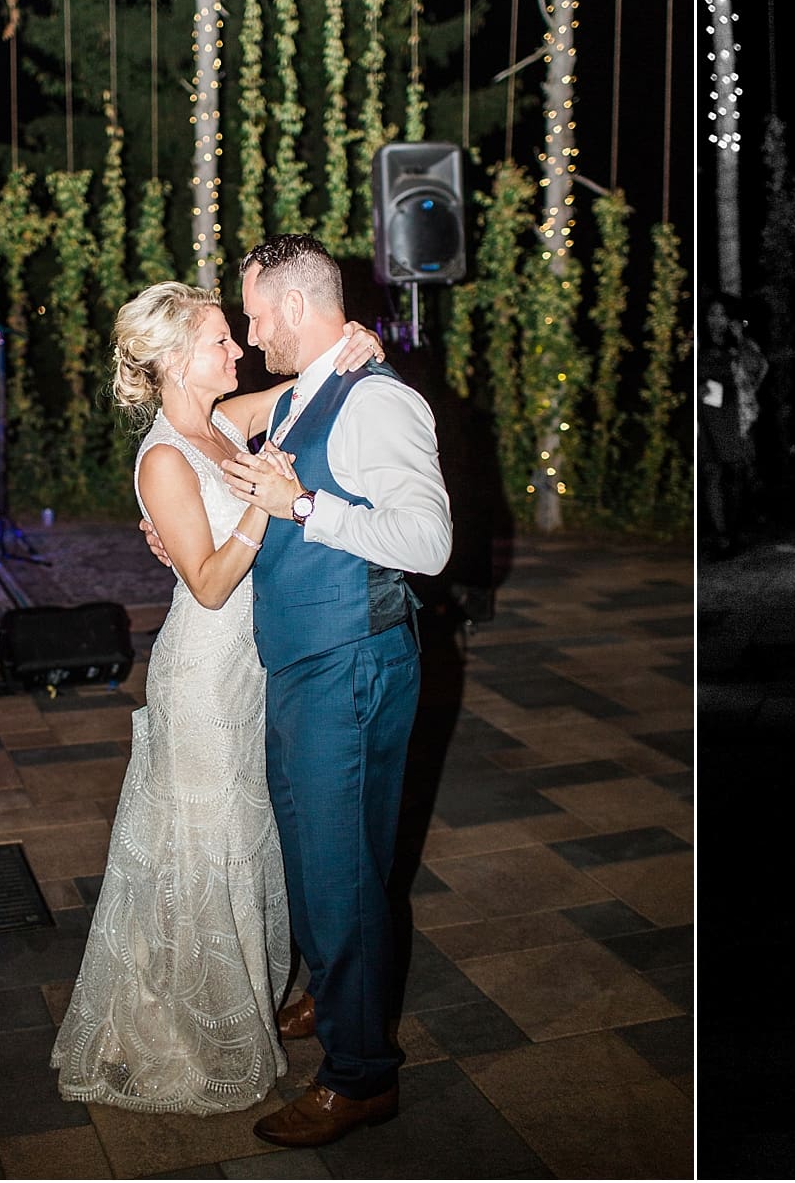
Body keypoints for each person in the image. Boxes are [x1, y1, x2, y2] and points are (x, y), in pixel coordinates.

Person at [51, 282, 382, 1114]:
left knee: (253, 840)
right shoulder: (164, 455)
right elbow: (203, 583)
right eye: (218, 343)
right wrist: (263, 510)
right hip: (200, 677)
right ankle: (195, 1030)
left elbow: (299, 387)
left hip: (251, 667)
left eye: (234, 339)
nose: (236, 353)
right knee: (206, 848)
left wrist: (354, 347)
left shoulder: (223, 422)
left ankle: (253, 998)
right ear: (170, 359)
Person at [212, 234, 452, 1148]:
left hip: (349, 660)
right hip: (308, 659)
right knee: (323, 855)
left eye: (259, 313)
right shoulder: (311, 390)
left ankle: (359, 1078)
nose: (251, 329)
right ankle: (337, 994)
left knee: (340, 871)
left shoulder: (376, 400)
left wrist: (302, 507)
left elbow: (426, 544)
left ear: (299, 309)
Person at [697, 293, 766, 555]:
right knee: (712, 473)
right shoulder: (700, 345)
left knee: (736, 473)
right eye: (712, 314)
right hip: (707, 416)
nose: (716, 320)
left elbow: (756, 370)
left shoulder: (739, 346)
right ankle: (721, 534)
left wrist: (740, 338)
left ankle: (735, 529)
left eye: (722, 315)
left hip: (733, 415)